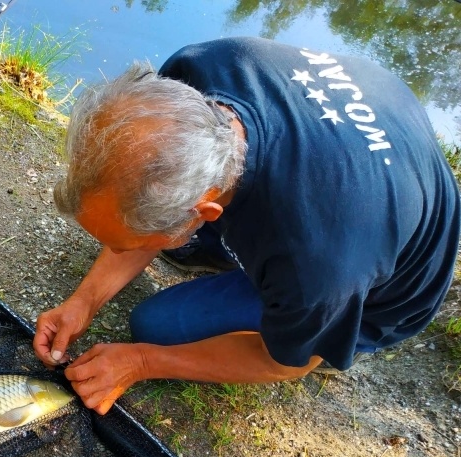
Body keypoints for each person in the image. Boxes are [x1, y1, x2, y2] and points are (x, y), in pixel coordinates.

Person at [32, 37, 461, 416]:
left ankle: (331, 328)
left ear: (204, 211)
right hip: (373, 142)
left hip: (388, 286)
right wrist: (84, 301)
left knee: (155, 328)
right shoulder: (194, 74)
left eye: (126, 247)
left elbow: (284, 364)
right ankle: (206, 249)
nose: (120, 251)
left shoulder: (315, 262)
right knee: (160, 230)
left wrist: (141, 362)